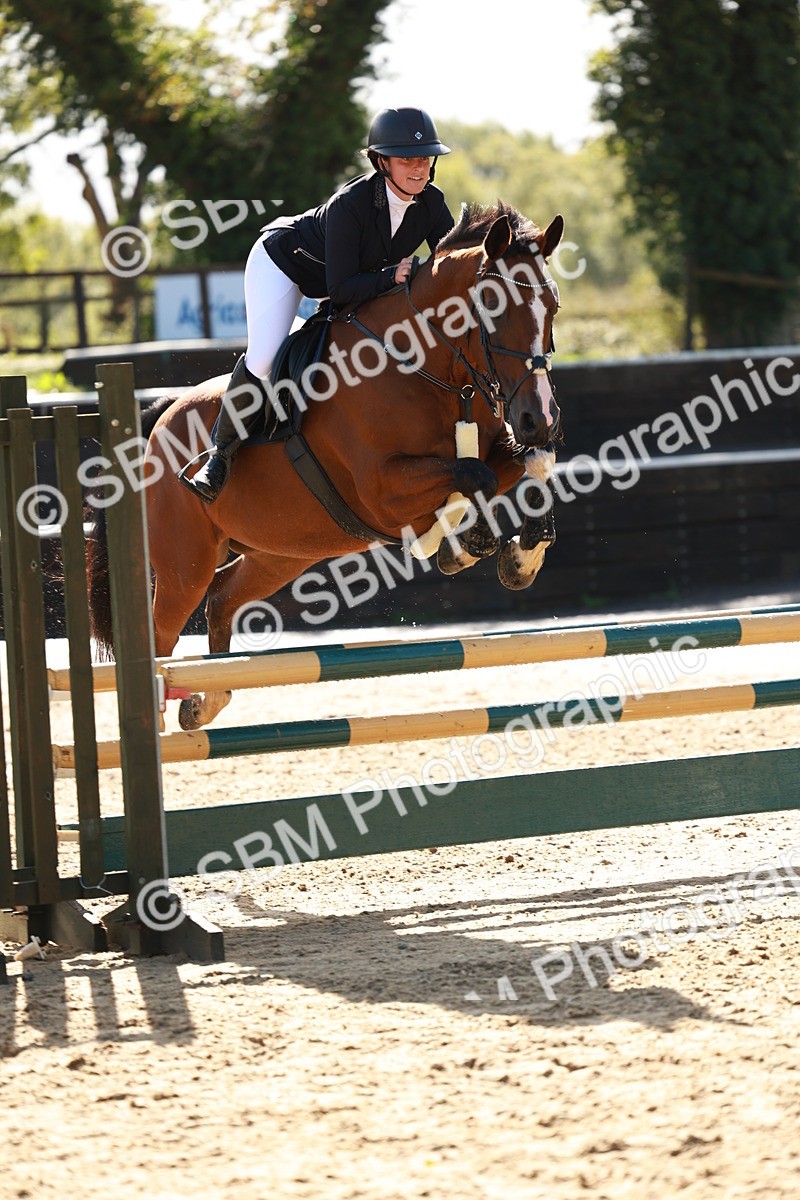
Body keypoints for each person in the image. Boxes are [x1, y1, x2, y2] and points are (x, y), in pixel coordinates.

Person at [182, 106, 455, 504]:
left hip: (345, 277)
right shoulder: (352, 203)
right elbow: (342, 289)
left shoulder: (432, 203)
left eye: (425, 159)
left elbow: (447, 264)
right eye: (406, 159)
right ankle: (218, 456)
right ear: (382, 162)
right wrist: (392, 276)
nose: (418, 169)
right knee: (264, 359)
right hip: (284, 265)